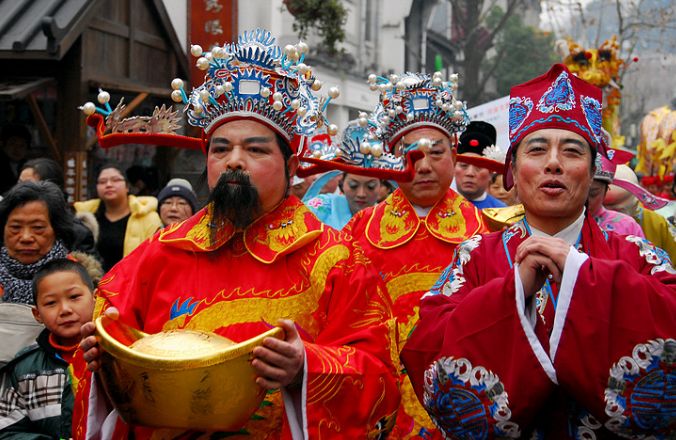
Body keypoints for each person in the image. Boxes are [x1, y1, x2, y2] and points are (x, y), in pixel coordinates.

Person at [76, 29, 399, 438]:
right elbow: (111, 334)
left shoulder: (336, 260)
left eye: (256, 150)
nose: (234, 162)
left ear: (292, 164)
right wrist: (103, 356)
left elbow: (380, 376)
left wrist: (306, 367)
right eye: (220, 148)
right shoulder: (161, 252)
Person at [401, 64, 676, 437]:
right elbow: (425, 348)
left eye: (573, 151)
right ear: (512, 171)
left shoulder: (633, 253)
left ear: (594, 171)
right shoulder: (475, 255)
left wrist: (583, 275)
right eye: (537, 149)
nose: (553, 163)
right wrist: (513, 291)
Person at [342, 72, 488, 439]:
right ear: (391, 160)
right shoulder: (358, 232)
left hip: (462, 397)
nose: (423, 166)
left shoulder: (485, 232)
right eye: (411, 154)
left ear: (455, 155)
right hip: (379, 400)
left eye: (436, 153)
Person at [0, 258, 94, 438]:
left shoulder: (113, 355)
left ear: (95, 297)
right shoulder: (25, 370)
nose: (65, 309)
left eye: (74, 297)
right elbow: (7, 429)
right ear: (37, 314)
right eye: (51, 303)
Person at [74, 164, 162, 271]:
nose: (109, 185)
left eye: (115, 180)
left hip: (131, 283)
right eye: (102, 182)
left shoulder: (148, 217)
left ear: (127, 187)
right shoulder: (84, 217)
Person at [0, 181, 76, 304]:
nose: (26, 237)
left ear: (57, 230)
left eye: (38, 227)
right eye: (15, 227)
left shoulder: (78, 280)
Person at [18, 158, 99, 256]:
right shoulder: (8, 221)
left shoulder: (76, 233)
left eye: (28, 185)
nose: (20, 190)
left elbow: (90, 269)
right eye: (20, 183)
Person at [605, 164, 676, 261]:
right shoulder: (584, 219)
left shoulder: (657, 223)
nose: (609, 215)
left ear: (635, 203)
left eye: (618, 210)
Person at [588, 151, 645, 237]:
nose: (585, 199)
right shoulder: (562, 220)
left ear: (606, 190)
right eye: (578, 189)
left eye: (592, 193)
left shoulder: (628, 226)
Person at [454, 121, 507, 209]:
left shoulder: (501, 213)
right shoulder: (436, 205)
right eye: (463, 165)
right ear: (453, 168)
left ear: (490, 173)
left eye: (478, 167)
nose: (470, 173)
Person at [0, 124, 30, 195]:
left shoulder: (29, 166)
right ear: (3, 145)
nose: (17, 149)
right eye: (12, 144)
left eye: (21, 145)